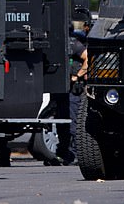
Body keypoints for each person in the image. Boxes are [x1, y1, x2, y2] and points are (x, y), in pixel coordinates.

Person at [51, 20, 89, 166]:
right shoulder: (57, 43)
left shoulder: (73, 43)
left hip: (73, 90)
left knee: (74, 124)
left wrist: (77, 75)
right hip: (61, 90)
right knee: (61, 123)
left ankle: (76, 154)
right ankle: (63, 153)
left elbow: (88, 58)